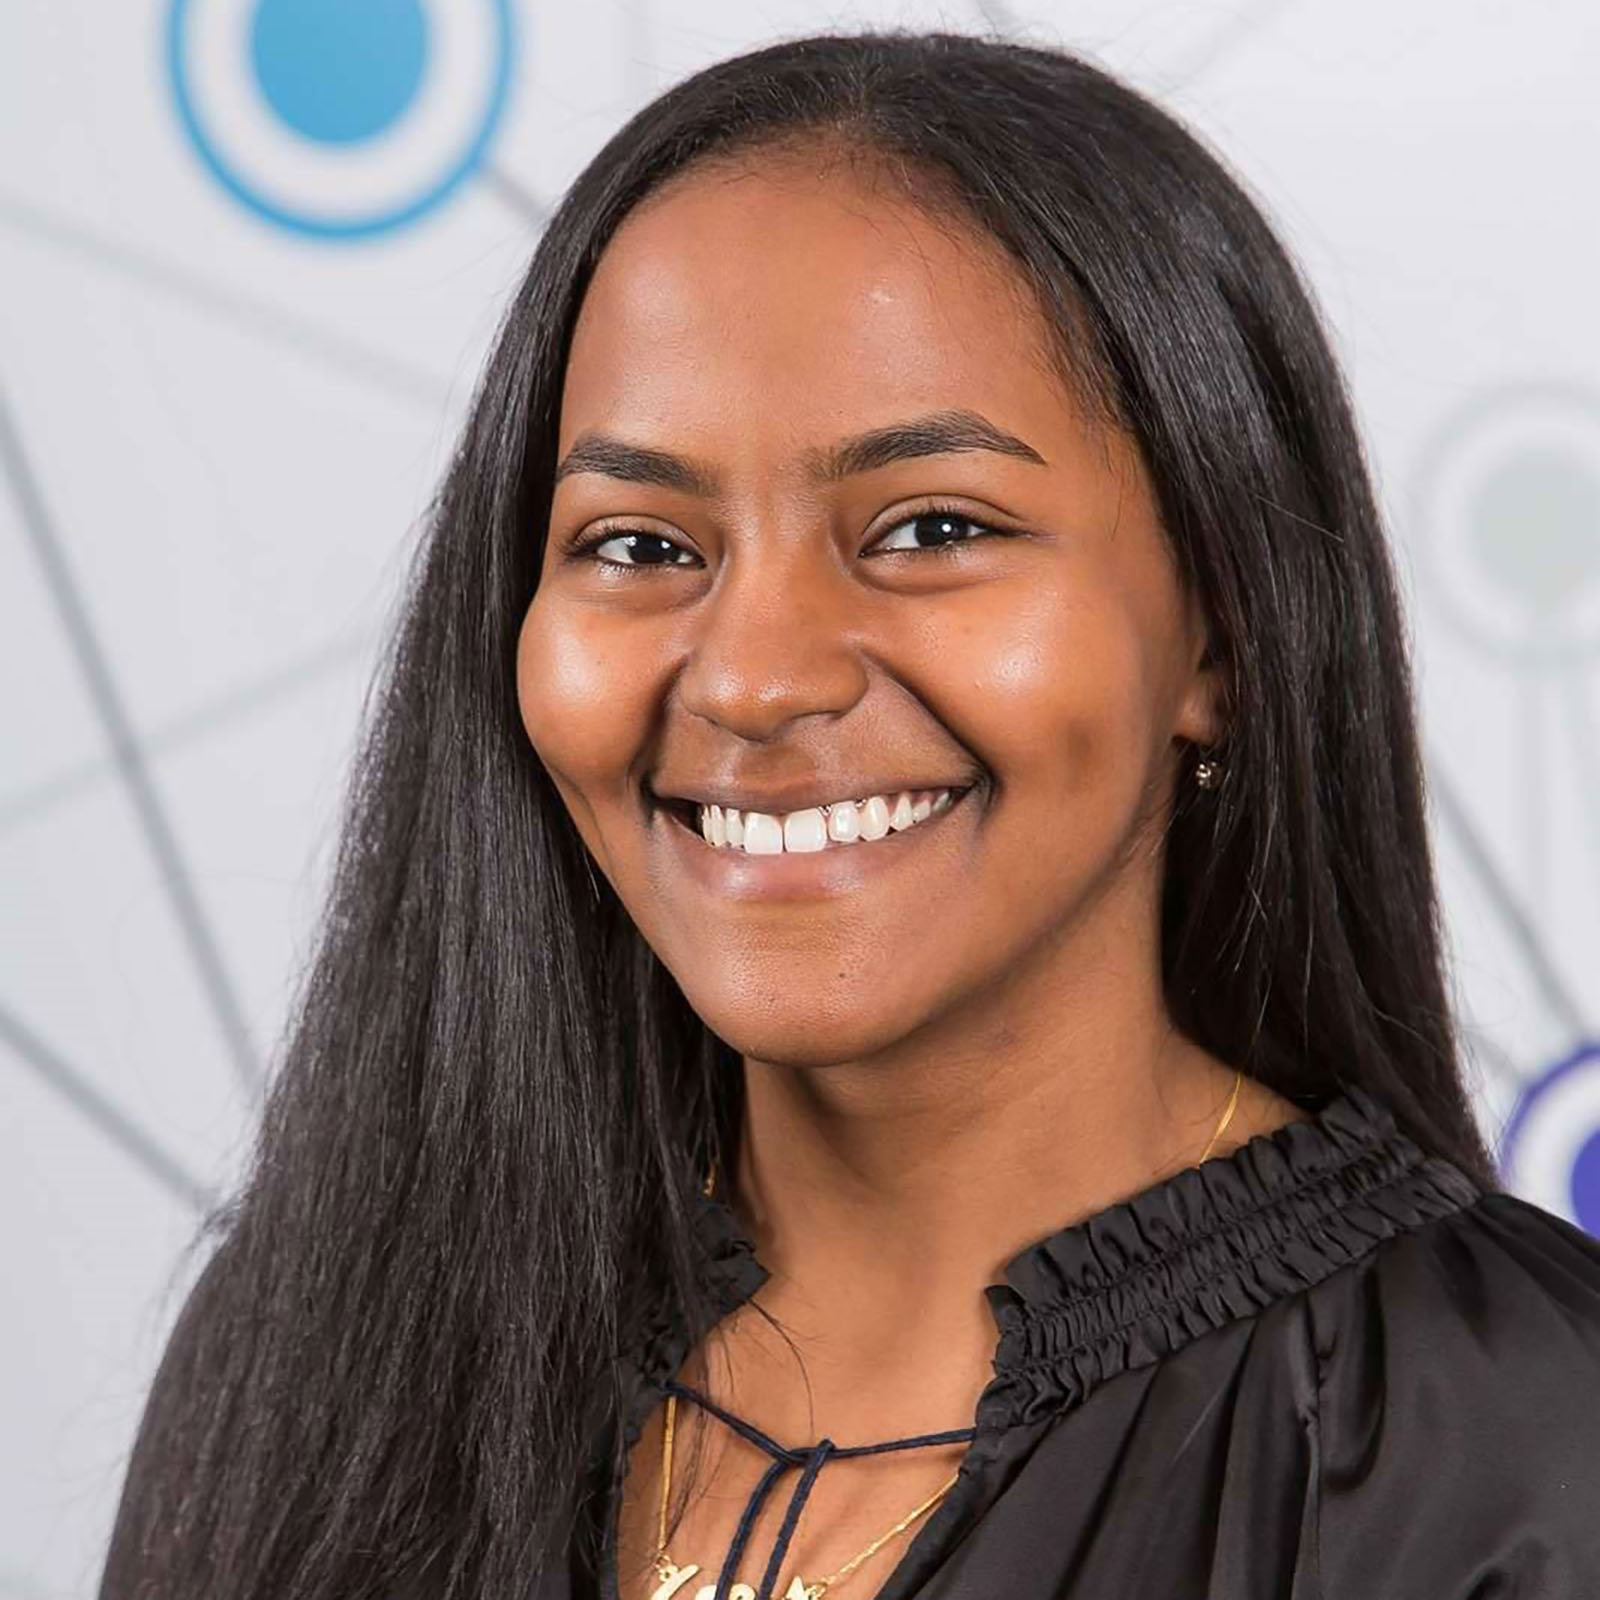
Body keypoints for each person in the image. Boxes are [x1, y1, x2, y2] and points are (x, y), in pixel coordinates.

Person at [99, 28, 1600, 1600]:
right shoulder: (326, 1344)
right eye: (640, 545)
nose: (754, 679)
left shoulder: (1521, 1448)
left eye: (932, 528)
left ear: (1219, 635)